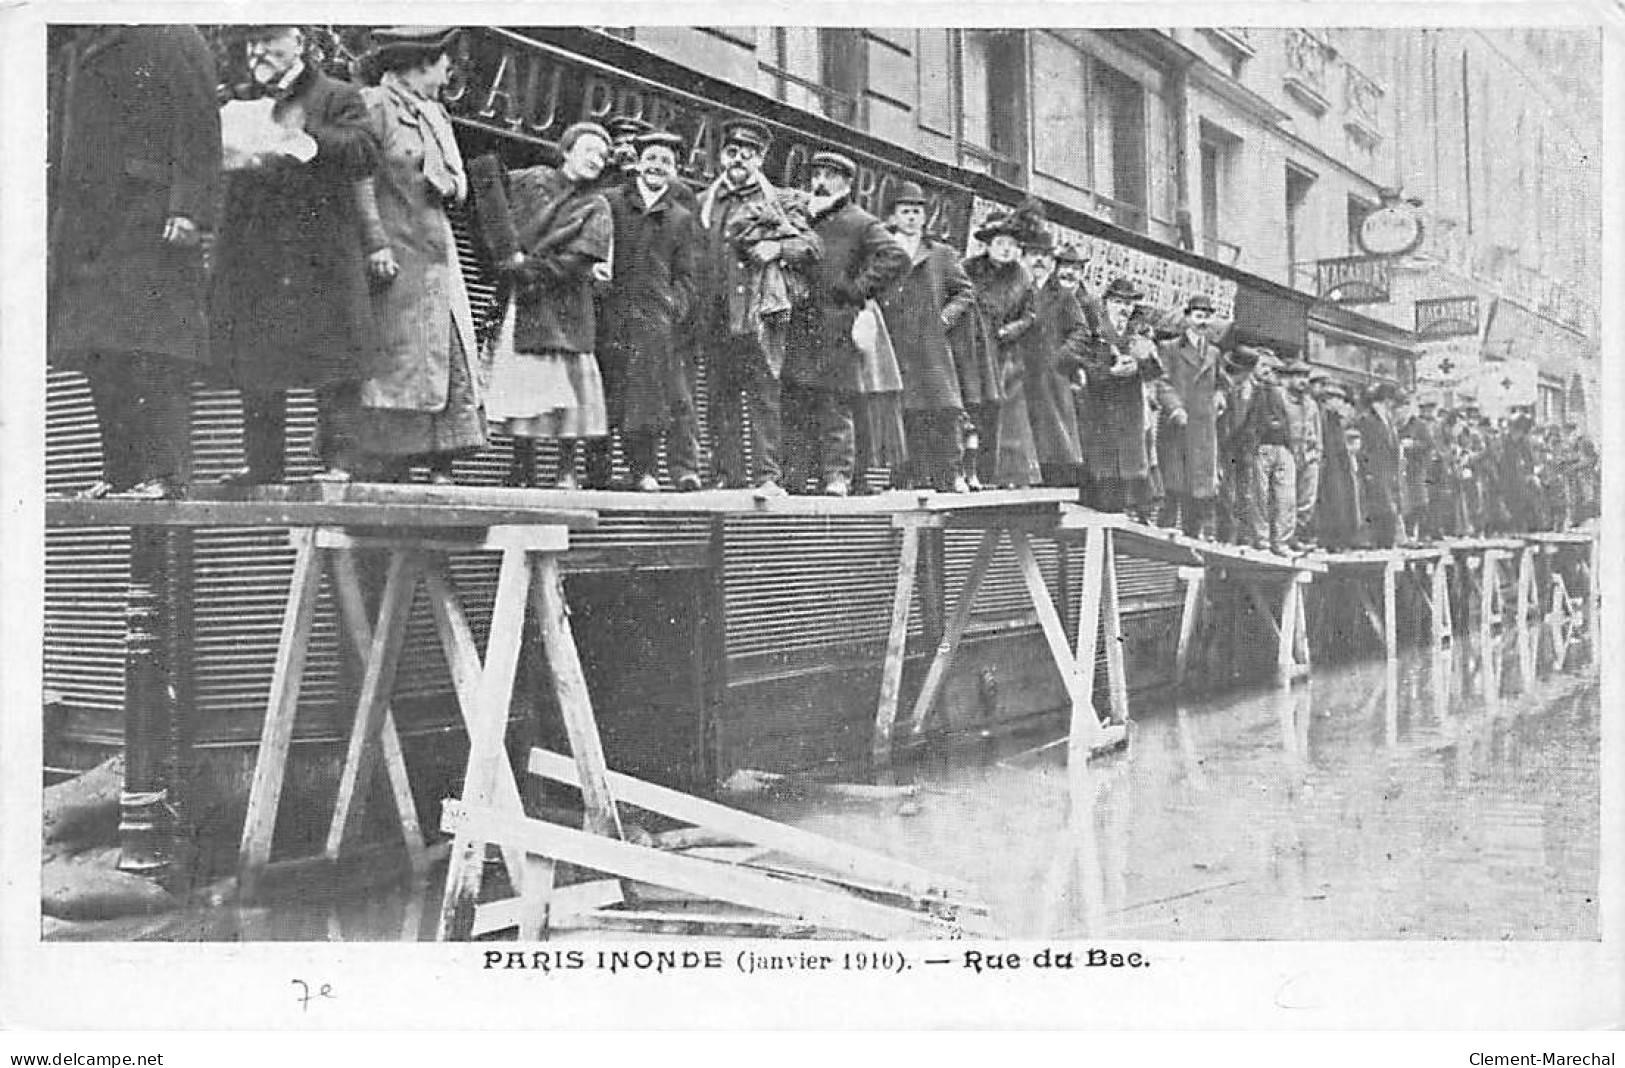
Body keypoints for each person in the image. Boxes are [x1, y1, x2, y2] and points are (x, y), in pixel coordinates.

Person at [48, 25, 221, 500]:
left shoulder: (171, 33)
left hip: (148, 219)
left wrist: (188, 207)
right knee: (102, 354)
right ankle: (119, 471)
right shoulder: (78, 47)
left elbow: (200, 126)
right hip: (88, 228)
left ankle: (167, 473)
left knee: (158, 351)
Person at [212, 25, 380, 486]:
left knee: (334, 359)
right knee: (257, 358)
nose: (257, 50)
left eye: (268, 39)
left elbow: (365, 151)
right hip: (256, 250)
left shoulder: (337, 95)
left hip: (319, 250)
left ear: (300, 42)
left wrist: (306, 140)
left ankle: (338, 462)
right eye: (251, 42)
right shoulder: (238, 99)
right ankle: (263, 464)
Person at [342, 27, 483, 486]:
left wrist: (452, 183)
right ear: (418, 63)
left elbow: (460, 185)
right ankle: (394, 462)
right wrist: (375, 242)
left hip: (437, 255)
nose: (448, 76)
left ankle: (441, 460)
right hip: (395, 256)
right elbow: (357, 179)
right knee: (398, 363)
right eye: (443, 65)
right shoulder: (372, 105)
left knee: (444, 354)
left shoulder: (436, 115)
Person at [481, 122, 615, 489]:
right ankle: (522, 466)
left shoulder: (596, 205)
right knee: (524, 382)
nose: (596, 160)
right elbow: (493, 211)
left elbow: (580, 259)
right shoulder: (528, 182)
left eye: (603, 156)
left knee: (569, 388)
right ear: (566, 150)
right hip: (524, 302)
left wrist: (529, 269)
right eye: (589, 150)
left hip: (566, 304)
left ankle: (566, 468)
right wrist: (502, 258)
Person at [696, 119, 822, 496]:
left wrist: (779, 249)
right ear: (721, 157)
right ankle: (726, 473)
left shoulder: (780, 201)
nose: (739, 160)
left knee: (765, 397)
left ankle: (767, 475)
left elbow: (812, 248)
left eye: (748, 154)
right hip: (715, 315)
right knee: (720, 398)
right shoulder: (704, 201)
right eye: (733, 153)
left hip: (759, 317)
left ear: (761, 159)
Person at [784, 152, 908, 496]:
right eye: (817, 175)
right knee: (797, 400)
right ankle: (795, 477)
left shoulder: (861, 222)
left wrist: (857, 290)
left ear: (848, 183)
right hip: (801, 321)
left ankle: (837, 476)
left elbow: (896, 256)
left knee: (834, 402)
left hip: (837, 325)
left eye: (830, 176)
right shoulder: (804, 218)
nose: (821, 182)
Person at [596, 129, 702, 491]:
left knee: (646, 397)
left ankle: (643, 471)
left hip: (654, 322)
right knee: (607, 391)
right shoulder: (610, 202)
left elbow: (688, 275)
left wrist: (673, 306)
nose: (658, 166)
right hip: (609, 315)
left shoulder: (681, 218)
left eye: (666, 161)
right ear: (639, 163)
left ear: (675, 171)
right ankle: (600, 472)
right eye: (652, 158)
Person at [876, 182, 976, 492]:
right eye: (904, 211)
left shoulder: (940, 254)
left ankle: (949, 474)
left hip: (931, 346)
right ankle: (905, 476)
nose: (910, 218)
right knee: (903, 412)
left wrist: (945, 317)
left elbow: (965, 292)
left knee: (942, 409)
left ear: (924, 218)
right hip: (893, 343)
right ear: (893, 217)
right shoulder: (881, 252)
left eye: (916, 212)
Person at [960, 207, 1038, 490]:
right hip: (973, 348)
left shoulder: (1022, 277)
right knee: (972, 409)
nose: (1006, 250)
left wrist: (1010, 330)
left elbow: (1030, 315)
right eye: (1000, 243)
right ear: (988, 244)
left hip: (1005, 355)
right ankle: (965, 472)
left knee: (1001, 414)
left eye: (1011, 245)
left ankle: (996, 475)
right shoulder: (968, 269)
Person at [1078, 276, 1162, 515]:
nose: (1123, 308)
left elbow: (1155, 372)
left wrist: (1140, 363)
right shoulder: (1093, 331)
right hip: (1100, 415)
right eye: (1117, 301)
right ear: (1106, 303)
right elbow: (1082, 365)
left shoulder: (1138, 335)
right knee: (1099, 484)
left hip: (1128, 418)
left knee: (1124, 487)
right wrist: (1109, 371)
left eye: (1128, 303)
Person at [1155, 295, 1224, 538]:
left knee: (1198, 486)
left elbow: (1220, 383)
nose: (1202, 322)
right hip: (1177, 424)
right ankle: (1164, 534)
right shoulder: (1170, 348)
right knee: (1174, 481)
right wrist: (1175, 408)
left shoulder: (1214, 353)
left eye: (1206, 317)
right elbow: (1161, 383)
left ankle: (1192, 539)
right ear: (1187, 318)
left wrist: (1219, 395)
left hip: (1203, 427)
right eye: (1197, 316)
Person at [1021, 236, 1087, 489]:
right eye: (1033, 253)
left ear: (1051, 263)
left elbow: (1080, 332)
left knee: (1053, 441)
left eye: (1045, 255)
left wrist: (1061, 359)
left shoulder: (1062, 296)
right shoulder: (1017, 289)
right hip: (1017, 375)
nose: (1038, 260)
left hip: (1050, 379)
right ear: (1023, 257)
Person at [1239, 352, 1296, 555]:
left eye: (1272, 368)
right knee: (1259, 495)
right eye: (1263, 366)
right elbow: (1244, 420)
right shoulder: (1249, 389)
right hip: (1261, 447)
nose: (1268, 371)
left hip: (1282, 448)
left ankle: (1281, 542)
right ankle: (1261, 540)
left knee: (1285, 498)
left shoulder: (1280, 393)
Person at [1315, 382, 1364, 551]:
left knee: (1341, 500)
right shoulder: (1324, 418)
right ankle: (1332, 539)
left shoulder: (1335, 419)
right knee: (1332, 501)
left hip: (1339, 464)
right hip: (1329, 464)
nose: (1340, 403)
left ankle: (1343, 539)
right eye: (1336, 399)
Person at [1279, 360, 1322, 550]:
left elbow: (1317, 432)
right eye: (1298, 376)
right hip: (1287, 452)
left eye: (1305, 377)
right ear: (1288, 378)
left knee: (1306, 501)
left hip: (1308, 455)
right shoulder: (1281, 398)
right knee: (1286, 499)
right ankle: (1284, 538)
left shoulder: (1311, 405)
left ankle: (1298, 536)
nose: (1303, 381)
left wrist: (1317, 454)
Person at [1355, 382, 1403, 548]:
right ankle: (1376, 541)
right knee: (1378, 507)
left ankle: (1387, 542)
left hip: (1388, 469)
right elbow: (1364, 448)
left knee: (1389, 505)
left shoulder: (1388, 420)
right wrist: (1367, 470)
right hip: (1375, 469)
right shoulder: (1367, 419)